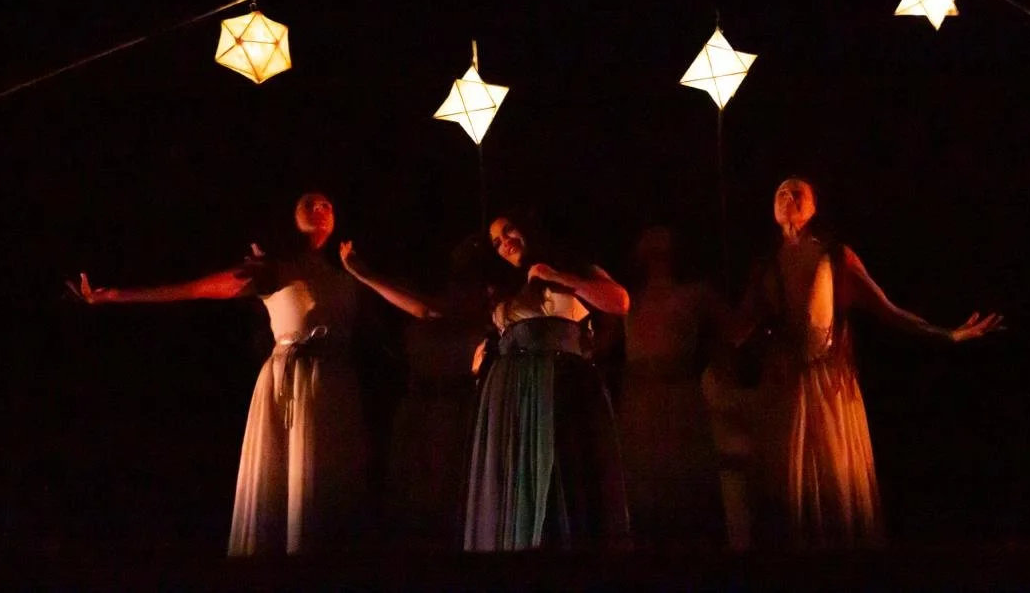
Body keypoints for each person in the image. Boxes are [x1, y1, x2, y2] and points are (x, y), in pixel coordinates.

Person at [71, 192, 434, 556]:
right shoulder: (272, 268)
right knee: (286, 475)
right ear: (291, 218)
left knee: (331, 480)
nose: (320, 208)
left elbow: (411, 312)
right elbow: (194, 288)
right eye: (309, 203)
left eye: (327, 204)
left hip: (336, 384)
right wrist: (115, 295)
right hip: (290, 379)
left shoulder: (349, 274)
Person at [735, 177, 1003, 547]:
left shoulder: (833, 256)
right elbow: (740, 326)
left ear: (814, 207)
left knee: (830, 475)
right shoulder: (765, 266)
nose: (788, 197)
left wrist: (947, 334)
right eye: (781, 192)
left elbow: (886, 309)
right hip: (783, 386)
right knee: (784, 481)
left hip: (826, 384)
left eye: (798, 193)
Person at [462, 213, 631, 551]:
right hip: (512, 388)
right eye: (496, 242)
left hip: (562, 380)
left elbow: (619, 301)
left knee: (565, 464)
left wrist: (556, 276)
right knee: (517, 471)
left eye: (509, 230)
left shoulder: (571, 267)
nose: (505, 242)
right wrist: (489, 351)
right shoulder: (506, 287)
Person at [616, 225, 726, 548]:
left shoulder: (695, 294)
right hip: (640, 398)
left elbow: (732, 331)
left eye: (661, 241)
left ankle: (692, 548)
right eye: (648, 240)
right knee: (645, 477)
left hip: (679, 396)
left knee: (683, 480)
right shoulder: (627, 298)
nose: (654, 247)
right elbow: (603, 340)